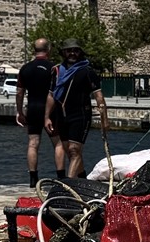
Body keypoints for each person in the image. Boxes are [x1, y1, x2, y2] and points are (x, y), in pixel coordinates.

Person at [44, 39, 108, 178]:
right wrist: (47, 117)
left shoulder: (87, 71)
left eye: (76, 50)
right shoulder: (57, 72)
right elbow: (51, 95)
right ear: (63, 53)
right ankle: (82, 178)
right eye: (69, 50)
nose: (72, 53)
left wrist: (104, 120)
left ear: (80, 52)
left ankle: (68, 185)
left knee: (74, 150)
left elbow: (99, 96)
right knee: (69, 150)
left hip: (81, 115)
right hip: (62, 116)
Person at [16, 38, 65, 186]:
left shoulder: (25, 68)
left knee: (33, 144)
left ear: (34, 50)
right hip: (51, 109)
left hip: (33, 108)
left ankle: (33, 179)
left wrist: (19, 111)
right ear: (48, 49)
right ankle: (61, 179)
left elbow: (19, 92)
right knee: (58, 143)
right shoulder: (54, 68)